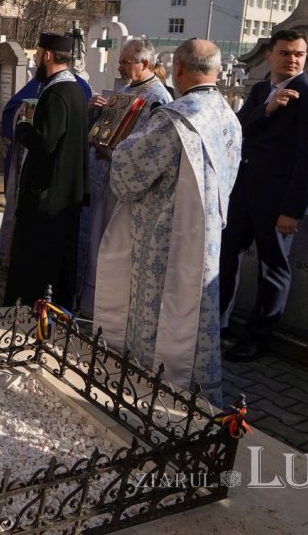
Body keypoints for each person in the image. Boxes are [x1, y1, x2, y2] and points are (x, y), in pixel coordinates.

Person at [94, 39, 242, 407]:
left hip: (166, 234)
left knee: (159, 309)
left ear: (177, 68)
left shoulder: (177, 118)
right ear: (218, 71)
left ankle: (150, 392)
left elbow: (129, 170)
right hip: (205, 232)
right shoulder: (227, 114)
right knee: (196, 306)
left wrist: (116, 145)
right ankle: (197, 393)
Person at [218, 29, 308, 361]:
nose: (293, 59)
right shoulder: (260, 91)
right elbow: (237, 131)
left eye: (299, 54)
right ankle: (219, 325)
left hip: (278, 202)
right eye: (285, 53)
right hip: (243, 195)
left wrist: (292, 210)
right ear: (270, 55)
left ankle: (258, 338)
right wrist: (266, 110)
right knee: (225, 259)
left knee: (273, 269)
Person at [77, 38, 172, 315]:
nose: (119, 67)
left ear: (144, 63)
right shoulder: (128, 89)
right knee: (94, 238)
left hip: (121, 185)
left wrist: (110, 150)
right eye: (119, 61)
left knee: (107, 244)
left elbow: (147, 150)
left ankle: (102, 308)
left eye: (124, 62)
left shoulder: (159, 99)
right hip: (101, 176)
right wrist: (95, 114)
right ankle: (86, 302)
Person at [3, 33, 89, 309]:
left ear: (48, 55)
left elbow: (46, 142)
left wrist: (23, 128)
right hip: (65, 192)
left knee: (38, 258)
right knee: (57, 257)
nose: (37, 59)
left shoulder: (56, 93)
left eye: (39, 53)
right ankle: (54, 308)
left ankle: (31, 307)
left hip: (47, 195)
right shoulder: (75, 89)